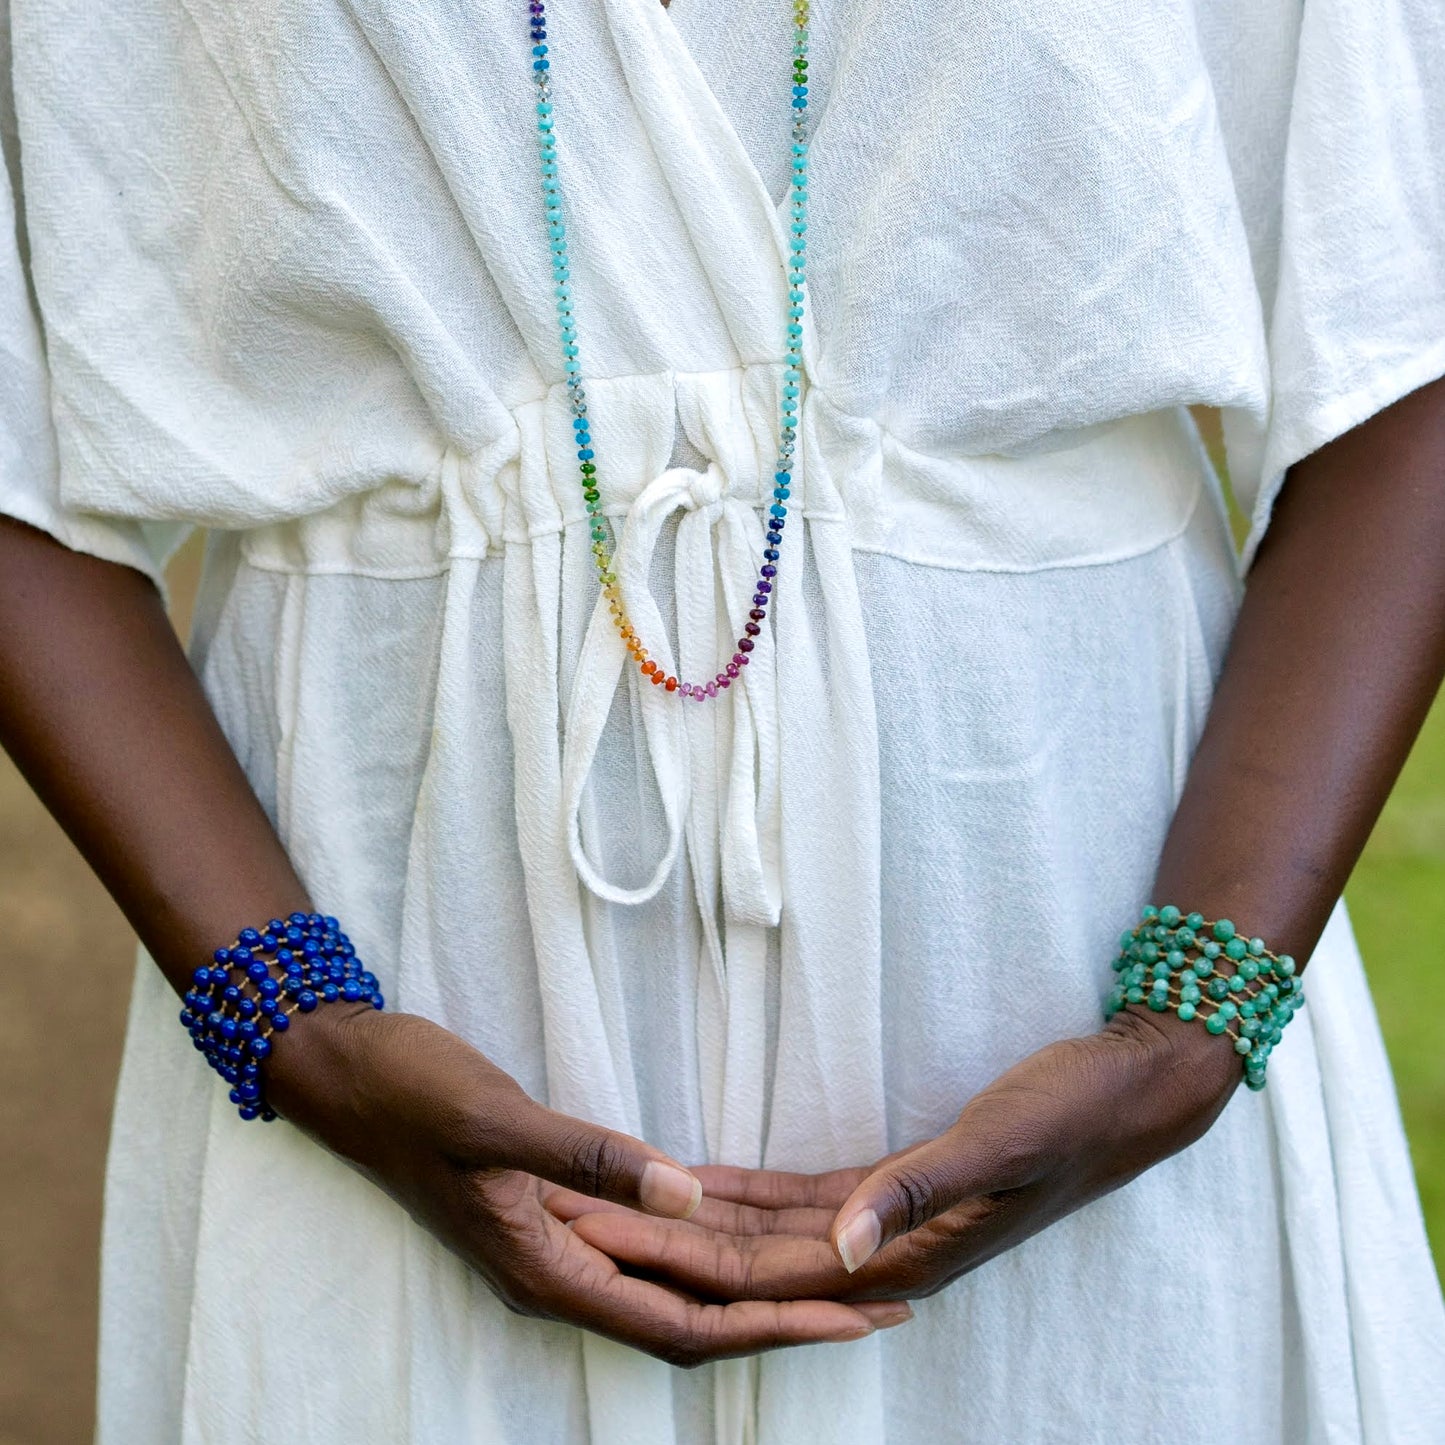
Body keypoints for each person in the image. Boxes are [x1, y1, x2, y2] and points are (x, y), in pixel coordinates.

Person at [1, 0, 1443, 1440]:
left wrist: (1183, 1031)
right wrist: (294, 1021)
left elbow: (1394, 332)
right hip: (390, 988)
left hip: (1061, 962)